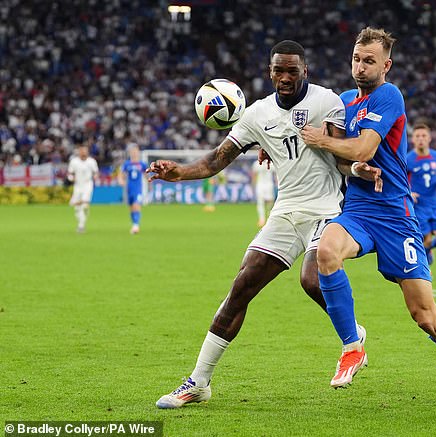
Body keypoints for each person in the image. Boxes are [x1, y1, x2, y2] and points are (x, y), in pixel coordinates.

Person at [147, 40, 381, 409]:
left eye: (292, 70)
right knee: (241, 287)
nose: (285, 77)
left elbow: (339, 156)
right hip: (286, 212)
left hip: (326, 209)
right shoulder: (256, 114)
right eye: (278, 71)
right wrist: (179, 172)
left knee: (310, 278)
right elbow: (216, 160)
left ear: (306, 71)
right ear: (269, 72)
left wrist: (356, 168)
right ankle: (199, 382)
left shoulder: (326, 102)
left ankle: (352, 337)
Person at [300, 27, 436, 407]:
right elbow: (343, 158)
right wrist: (274, 149)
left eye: (369, 60)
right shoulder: (342, 101)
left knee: (426, 316)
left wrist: (328, 144)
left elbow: (363, 147)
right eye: (356, 58)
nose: (360, 66)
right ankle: (352, 347)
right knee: (326, 252)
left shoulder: (389, 95)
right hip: (358, 208)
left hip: (396, 217)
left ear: (385, 64)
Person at [406, 122, 436, 265]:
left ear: (429, 138)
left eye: (424, 136)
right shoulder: (408, 160)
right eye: (417, 136)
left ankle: (428, 250)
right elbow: (400, 182)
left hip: (434, 203)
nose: (420, 139)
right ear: (413, 139)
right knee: (425, 239)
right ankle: (425, 269)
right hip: (418, 206)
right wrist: (409, 193)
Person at [67, 145, 99, 233]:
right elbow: (70, 173)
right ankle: (81, 224)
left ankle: (81, 226)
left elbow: (96, 172)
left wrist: (95, 176)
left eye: (85, 151)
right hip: (78, 185)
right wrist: (71, 178)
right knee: (77, 208)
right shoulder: (74, 162)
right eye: (82, 151)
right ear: (79, 152)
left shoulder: (91, 161)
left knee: (85, 203)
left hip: (87, 184)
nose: (84, 153)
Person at [118, 144, 148, 234]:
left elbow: (146, 174)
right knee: (131, 207)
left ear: (138, 153)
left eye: (136, 151)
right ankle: (134, 224)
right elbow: (121, 173)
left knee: (136, 205)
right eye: (133, 151)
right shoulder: (127, 164)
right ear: (130, 153)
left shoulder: (142, 164)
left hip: (138, 188)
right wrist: (121, 180)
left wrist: (150, 182)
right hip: (129, 188)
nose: (134, 153)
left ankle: (136, 225)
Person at [251, 159, 276, 227]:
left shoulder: (271, 164)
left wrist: (277, 184)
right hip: (260, 185)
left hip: (269, 184)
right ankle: (262, 219)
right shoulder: (256, 163)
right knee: (260, 202)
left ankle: (270, 218)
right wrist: (253, 185)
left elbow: (275, 175)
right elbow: (254, 175)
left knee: (270, 202)